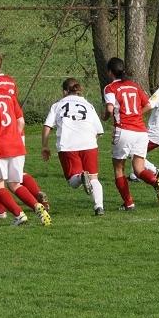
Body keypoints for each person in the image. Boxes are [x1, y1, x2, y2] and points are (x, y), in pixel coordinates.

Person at [0, 63, 51, 226]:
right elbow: (21, 121)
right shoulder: (7, 94)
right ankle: (36, 206)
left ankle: (19, 214)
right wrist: (13, 137)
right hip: (16, 143)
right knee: (15, 183)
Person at [101, 57, 159, 210]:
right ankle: (154, 181)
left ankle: (129, 203)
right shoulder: (134, 86)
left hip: (124, 130)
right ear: (123, 71)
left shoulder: (110, 88)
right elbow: (148, 104)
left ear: (110, 72)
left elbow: (110, 109)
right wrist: (136, 116)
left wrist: (105, 116)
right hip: (141, 132)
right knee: (139, 169)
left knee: (119, 169)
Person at [42, 78, 105, 215]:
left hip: (68, 144)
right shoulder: (88, 105)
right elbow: (99, 131)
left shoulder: (58, 105)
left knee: (73, 180)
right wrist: (89, 141)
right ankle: (99, 207)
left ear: (65, 91)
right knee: (94, 177)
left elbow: (47, 125)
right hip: (89, 143)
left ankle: (81, 177)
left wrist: (45, 146)